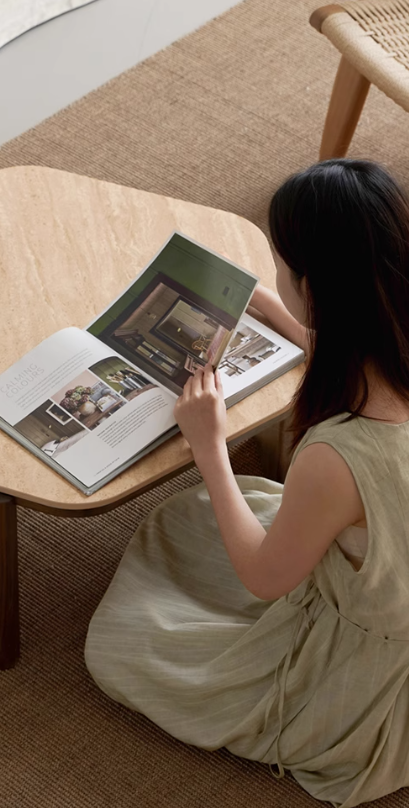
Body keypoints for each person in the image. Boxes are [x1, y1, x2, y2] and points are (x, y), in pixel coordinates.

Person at [85, 159, 409, 808]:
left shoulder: (337, 457)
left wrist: (210, 447)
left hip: (365, 681)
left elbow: (265, 577)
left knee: (119, 643)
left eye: (283, 269)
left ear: (312, 285)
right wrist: (288, 322)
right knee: (190, 521)